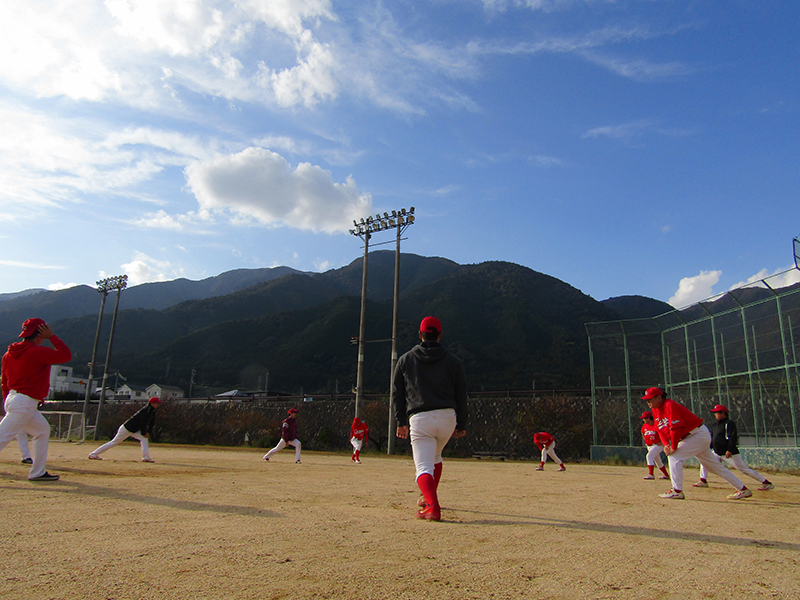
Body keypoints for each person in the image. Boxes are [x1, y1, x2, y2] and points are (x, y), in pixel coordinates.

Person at [393, 316, 468, 521]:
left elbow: (397, 394)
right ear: (440, 335)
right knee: (436, 458)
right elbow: (461, 394)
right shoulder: (454, 361)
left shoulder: (405, 359)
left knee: (423, 467)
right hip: (447, 418)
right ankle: (428, 498)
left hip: (420, 418)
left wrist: (400, 422)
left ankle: (433, 507)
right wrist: (461, 423)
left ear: (420, 334)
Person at [641, 387, 751, 500]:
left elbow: (675, 429)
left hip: (697, 434)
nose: (648, 402)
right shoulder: (656, 409)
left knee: (674, 456)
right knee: (714, 467)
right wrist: (666, 445)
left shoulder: (669, 405)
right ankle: (742, 489)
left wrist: (673, 447)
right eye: (646, 400)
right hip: (692, 437)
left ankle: (677, 491)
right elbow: (660, 430)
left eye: (650, 399)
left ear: (659, 397)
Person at [0, 318, 72, 481]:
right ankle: (37, 472)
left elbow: (5, 381)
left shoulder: (8, 354)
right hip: (24, 402)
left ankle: (38, 472)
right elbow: (65, 355)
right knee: (2, 436)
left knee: (42, 431)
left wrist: (7, 402)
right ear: (41, 333)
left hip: (14, 398)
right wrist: (52, 337)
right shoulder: (38, 352)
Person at [693, 404, 775, 491]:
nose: (715, 414)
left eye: (717, 412)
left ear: (723, 413)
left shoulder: (729, 424)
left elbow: (732, 438)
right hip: (717, 452)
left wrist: (730, 449)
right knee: (705, 461)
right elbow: (712, 438)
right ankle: (703, 480)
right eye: (715, 413)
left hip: (728, 453)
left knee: (743, 469)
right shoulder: (715, 425)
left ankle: (766, 483)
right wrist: (707, 447)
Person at [88, 396, 161, 462]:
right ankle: (93, 454)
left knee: (144, 439)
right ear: (152, 403)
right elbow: (143, 422)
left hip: (134, 430)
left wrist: (148, 432)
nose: (158, 405)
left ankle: (146, 457)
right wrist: (144, 433)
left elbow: (152, 423)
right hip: (126, 428)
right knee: (114, 442)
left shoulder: (152, 411)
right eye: (157, 403)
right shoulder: (146, 410)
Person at [640, 411, 670, 480]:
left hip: (657, 445)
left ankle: (651, 474)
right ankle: (666, 475)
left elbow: (663, 434)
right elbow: (643, 433)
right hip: (649, 445)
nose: (643, 420)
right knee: (658, 461)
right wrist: (647, 441)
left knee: (649, 456)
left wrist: (662, 442)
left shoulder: (656, 425)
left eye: (644, 418)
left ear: (648, 418)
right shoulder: (644, 425)